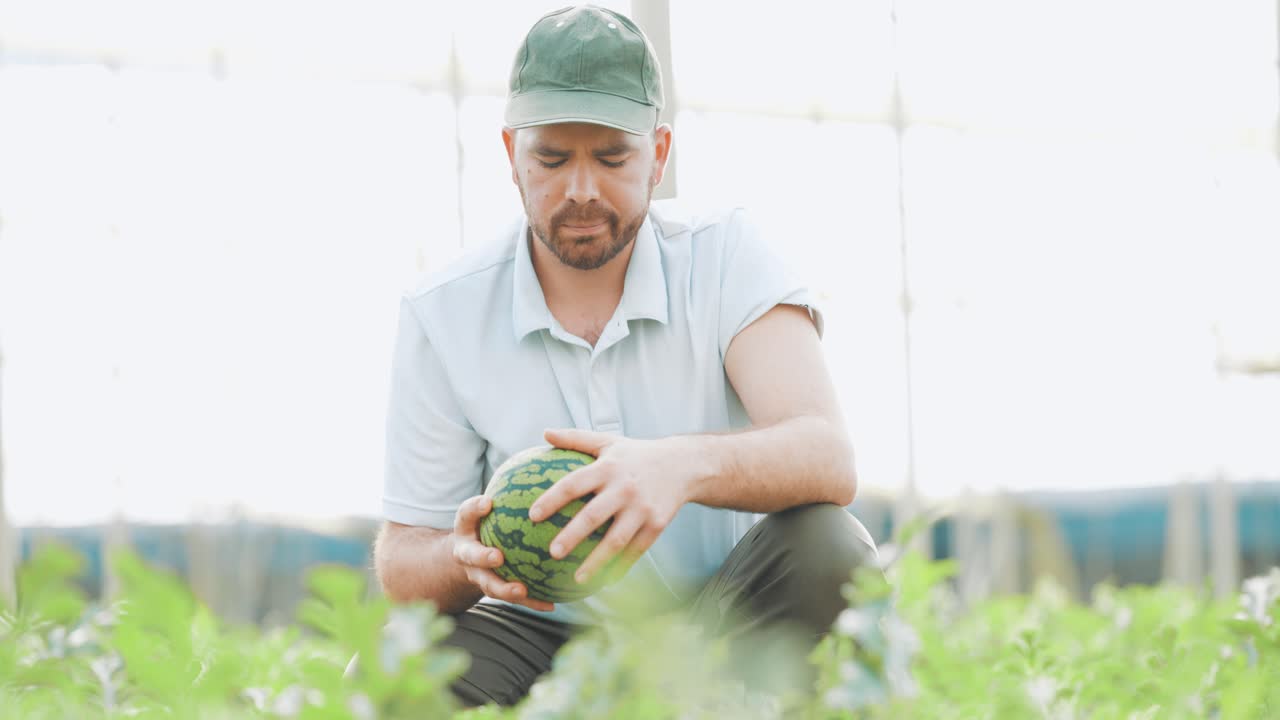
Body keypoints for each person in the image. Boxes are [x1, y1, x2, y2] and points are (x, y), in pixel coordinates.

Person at [373, 4, 878, 708]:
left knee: (831, 551)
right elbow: (403, 560)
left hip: (724, 611)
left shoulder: (728, 255)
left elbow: (826, 453)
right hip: (543, 636)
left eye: (612, 156)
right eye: (552, 158)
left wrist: (676, 466)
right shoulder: (444, 311)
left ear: (659, 154)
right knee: (392, 685)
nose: (582, 189)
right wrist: (459, 557)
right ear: (511, 154)